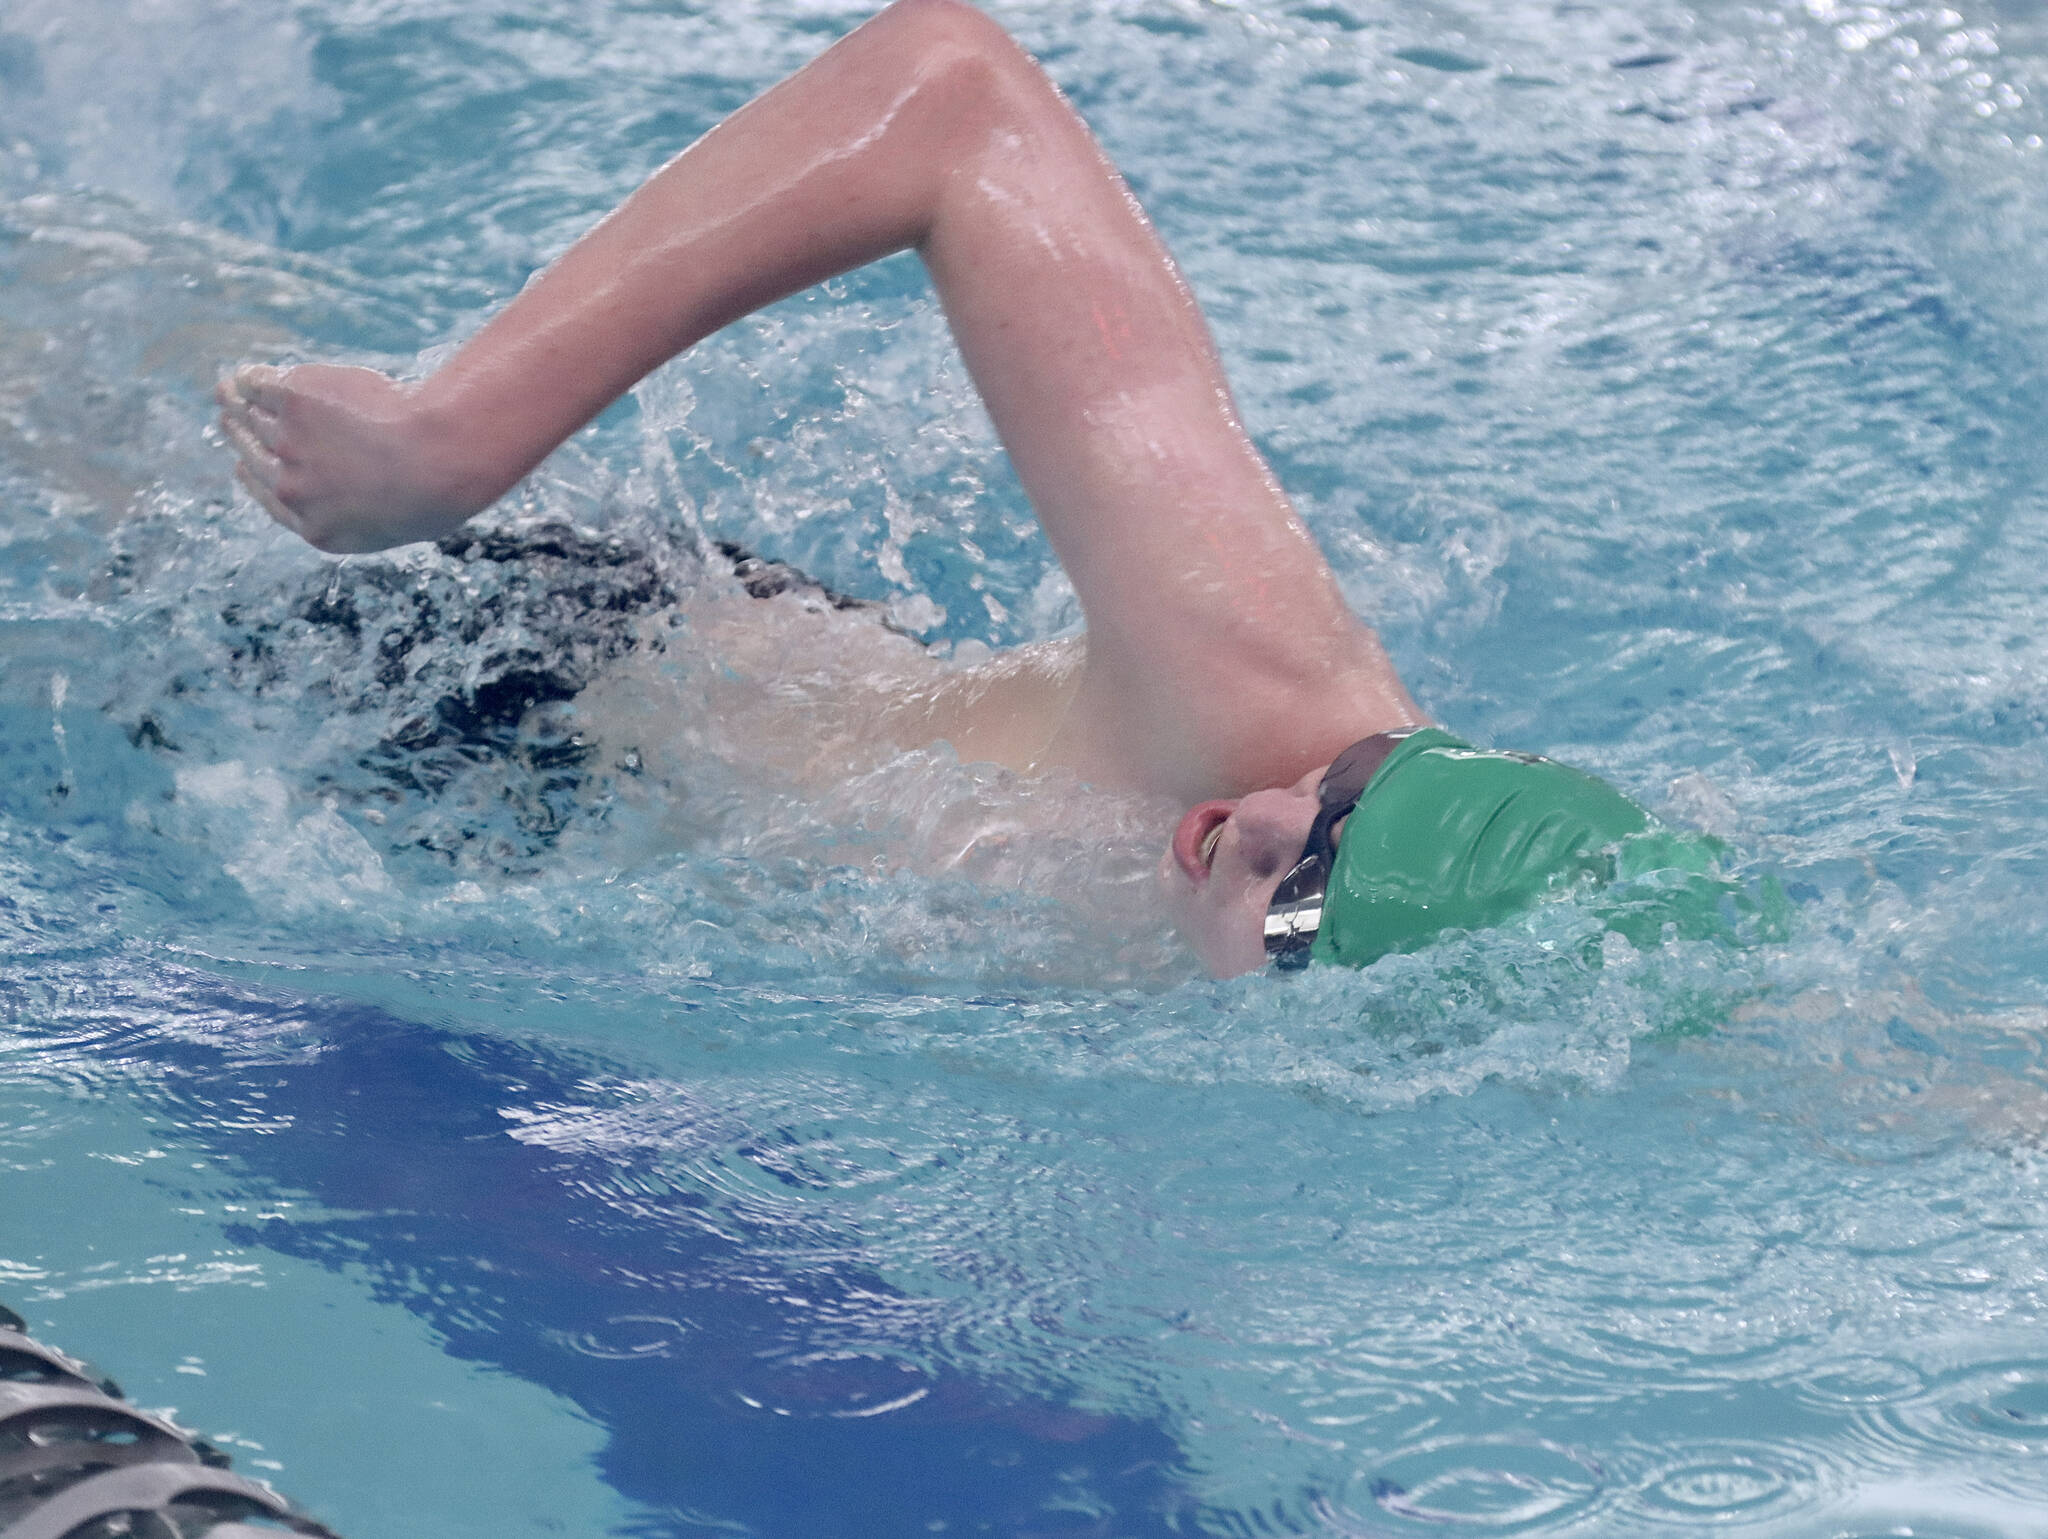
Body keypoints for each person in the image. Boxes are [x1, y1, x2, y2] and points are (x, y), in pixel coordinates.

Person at [216, 0, 1705, 979]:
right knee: (139, 427)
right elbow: (952, 94)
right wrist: (452, 443)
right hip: (524, 677)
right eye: (1352, 793)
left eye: (1305, 898)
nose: (1254, 818)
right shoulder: (1260, 686)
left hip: (596, 857)